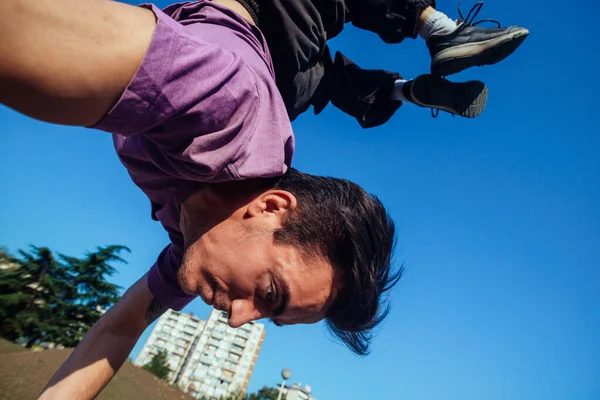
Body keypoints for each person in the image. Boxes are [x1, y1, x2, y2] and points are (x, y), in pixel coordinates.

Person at [0, 0, 398, 398]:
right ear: (270, 207)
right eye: (270, 294)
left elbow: (121, 326)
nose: (239, 318)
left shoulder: (204, 239)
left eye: (266, 316)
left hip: (277, 68)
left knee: (314, 79)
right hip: (274, 16)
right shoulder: (223, 109)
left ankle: (348, 81)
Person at [229, 0, 529, 125]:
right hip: (267, 77)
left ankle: (402, 90)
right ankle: (435, 36)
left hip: (261, 95)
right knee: (326, 77)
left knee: (324, 75)